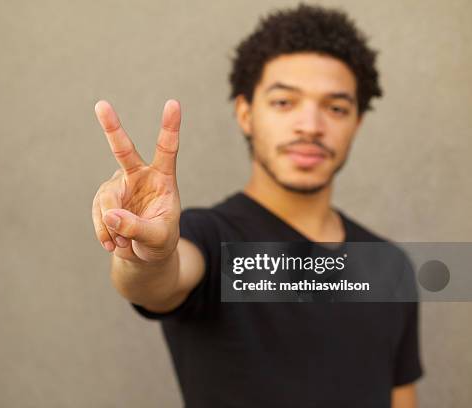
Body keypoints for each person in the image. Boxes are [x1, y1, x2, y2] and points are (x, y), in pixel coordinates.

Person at [91, 4, 422, 407]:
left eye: (336, 108)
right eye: (285, 102)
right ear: (246, 114)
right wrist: (144, 255)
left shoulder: (389, 268)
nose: (311, 125)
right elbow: (158, 279)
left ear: (356, 123)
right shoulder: (211, 240)